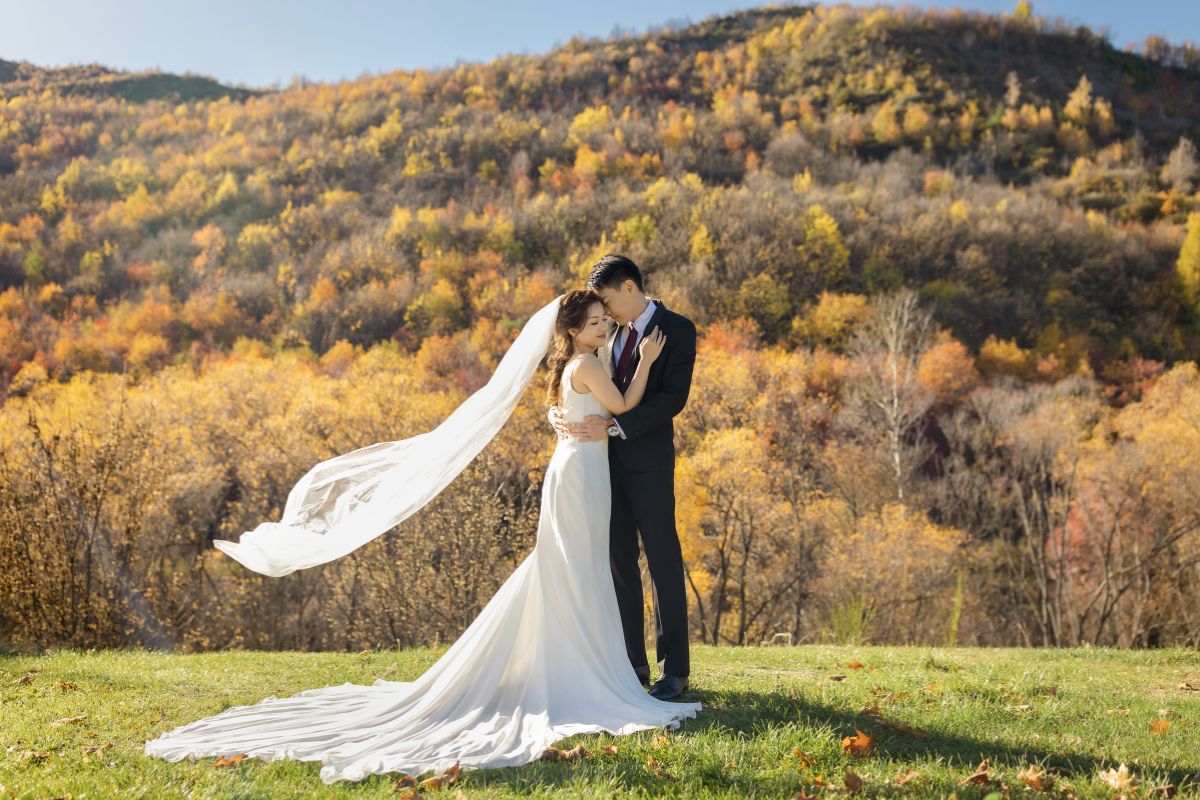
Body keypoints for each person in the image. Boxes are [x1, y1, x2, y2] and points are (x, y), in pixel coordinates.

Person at [143, 288, 701, 785]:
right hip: (582, 474)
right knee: (577, 568)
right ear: (575, 330)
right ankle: (584, 667)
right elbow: (624, 404)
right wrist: (646, 363)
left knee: (575, 568)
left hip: (580, 467)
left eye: (607, 319)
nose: (607, 328)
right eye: (598, 321)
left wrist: (583, 411)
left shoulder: (578, 361)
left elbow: (580, 406)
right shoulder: (588, 361)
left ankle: (590, 662)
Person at [549, 255, 697, 702]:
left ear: (630, 288)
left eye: (608, 301)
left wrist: (614, 428)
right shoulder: (605, 332)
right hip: (600, 467)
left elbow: (673, 399)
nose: (605, 311)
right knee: (618, 564)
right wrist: (557, 412)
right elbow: (575, 377)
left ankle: (675, 671)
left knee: (663, 562)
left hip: (648, 465)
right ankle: (631, 663)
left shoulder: (678, 329)